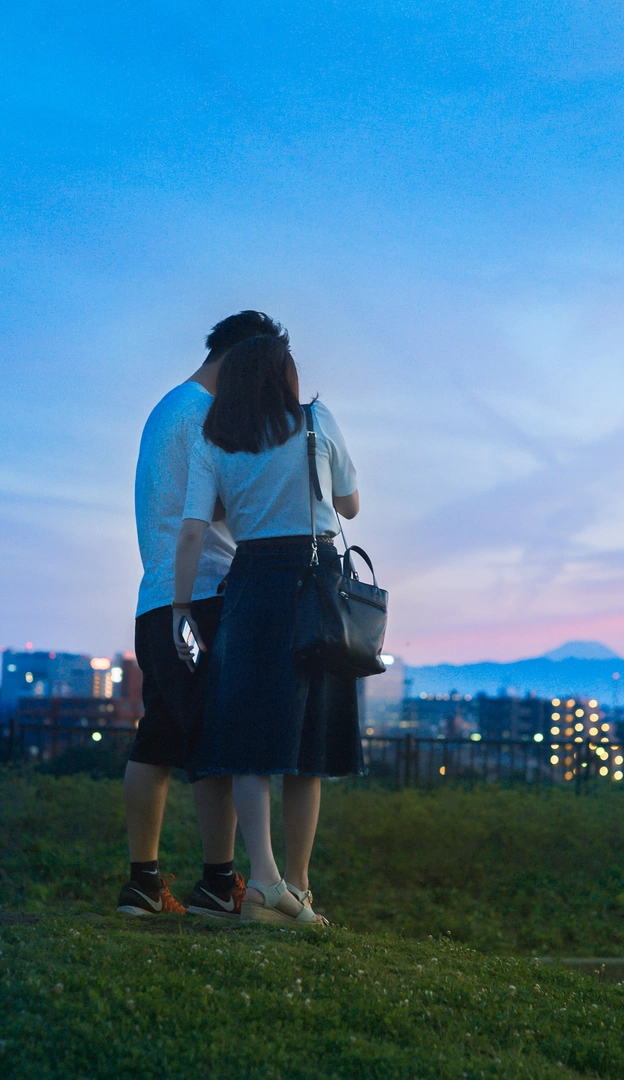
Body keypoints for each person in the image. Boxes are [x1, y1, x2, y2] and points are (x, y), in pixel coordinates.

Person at [173, 331, 363, 926]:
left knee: (248, 738)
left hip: (251, 581)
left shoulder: (217, 438)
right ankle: (298, 889)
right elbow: (350, 505)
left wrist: (180, 609)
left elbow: (195, 527)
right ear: (285, 375)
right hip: (315, 581)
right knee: (310, 743)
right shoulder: (316, 421)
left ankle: (262, 881)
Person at [117, 311, 287, 918]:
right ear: (242, 358)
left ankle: (144, 883)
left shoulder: (166, 409)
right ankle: (219, 882)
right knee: (215, 742)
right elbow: (216, 502)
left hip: (157, 602)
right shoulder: (205, 415)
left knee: (159, 739)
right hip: (201, 600)